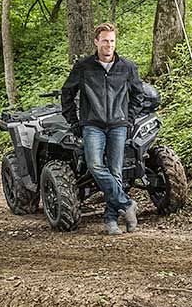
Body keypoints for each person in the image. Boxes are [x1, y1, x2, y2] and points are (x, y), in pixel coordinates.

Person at [61, 23, 149, 235]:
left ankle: (111, 220)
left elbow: (138, 95)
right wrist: (75, 122)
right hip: (92, 125)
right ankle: (127, 204)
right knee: (95, 166)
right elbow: (67, 94)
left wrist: (129, 119)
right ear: (96, 42)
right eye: (105, 41)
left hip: (118, 125)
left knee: (116, 171)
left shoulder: (127, 67)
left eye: (112, 41)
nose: (109, 45)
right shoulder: (84, 67)